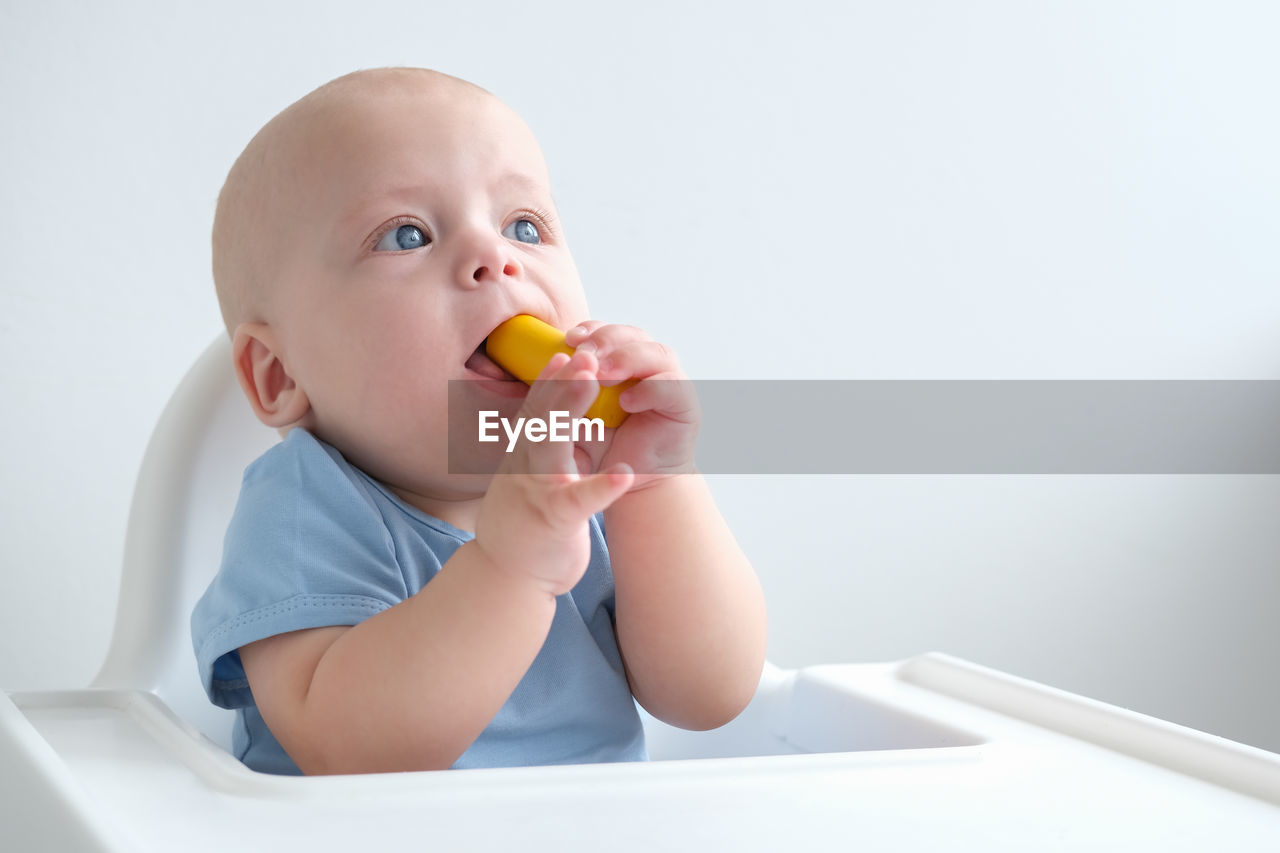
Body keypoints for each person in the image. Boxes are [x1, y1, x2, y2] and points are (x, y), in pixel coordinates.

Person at [191, 67, 767, 775]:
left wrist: (654, 481)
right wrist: (512, 564)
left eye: (524, 225)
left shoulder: (590, 474)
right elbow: (346, 748)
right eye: (406, 236)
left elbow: (710, 695)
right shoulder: (303, 506)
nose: (495, 258)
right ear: (282, 374)